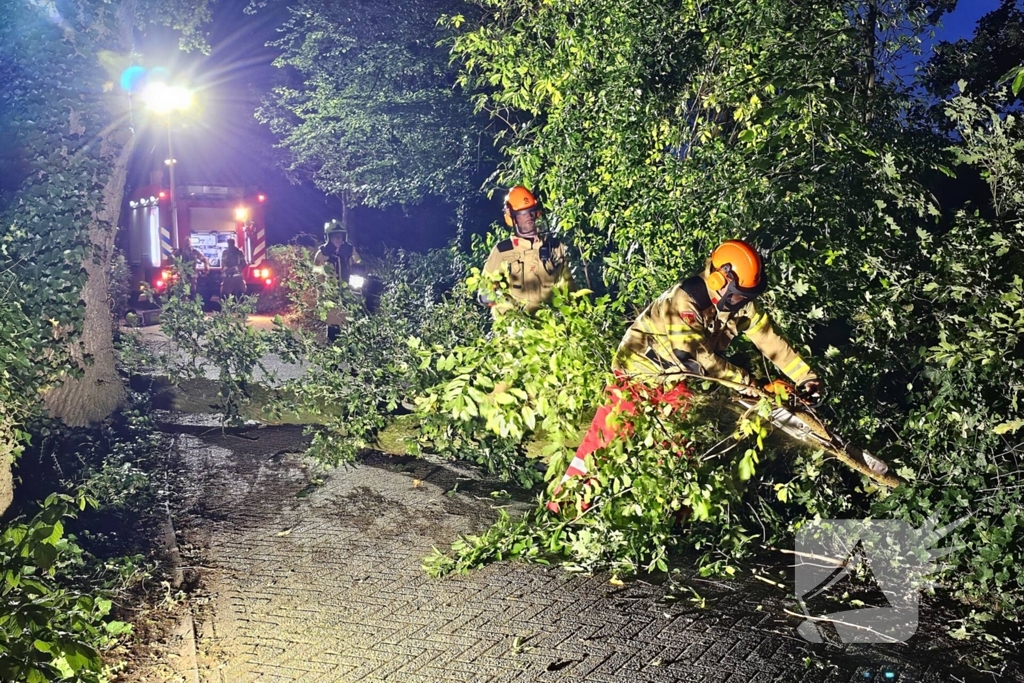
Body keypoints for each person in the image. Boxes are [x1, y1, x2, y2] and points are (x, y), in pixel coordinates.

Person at [550, 239, 823, 506]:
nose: (742, 302)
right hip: (636, 375)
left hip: (676, 383)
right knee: (606, 439)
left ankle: (671, 513)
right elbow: (697, 358)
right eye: (739, 295)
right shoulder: (686, 299)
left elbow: (769, 340)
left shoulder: (741, 304)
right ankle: (566, 503)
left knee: (677, 446)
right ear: (720, 280)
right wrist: (749, 384)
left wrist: (805, 378)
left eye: (747, 296)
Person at [479, 186, 572, 316]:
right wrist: (494, 292)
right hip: (516, 326)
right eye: (522, 214)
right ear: (513, 218)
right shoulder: (502, 251)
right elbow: (483, 294)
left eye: (531, 212)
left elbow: (570, 285)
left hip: (550, 324)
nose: (528, 217)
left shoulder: (555, 246)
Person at [314, 220, 362, 341]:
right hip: (330, 291)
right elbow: (316, 274)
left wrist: (358, 274)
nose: (338, 238)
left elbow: (359, 266)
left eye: (340, 236)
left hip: (349, 289)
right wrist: (321, 290)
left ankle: (348, 343)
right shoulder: (322, 253)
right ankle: (332, 342)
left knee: (349, 316)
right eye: (335, 236)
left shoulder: (350, 251)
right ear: (328, 237)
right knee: (332, 318)